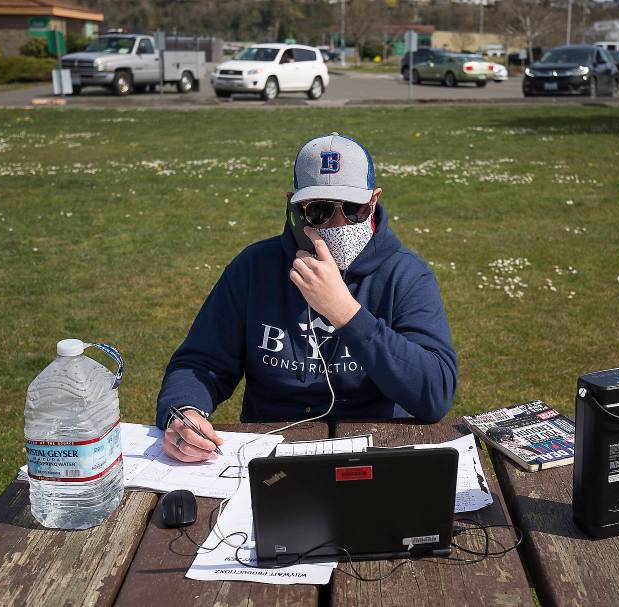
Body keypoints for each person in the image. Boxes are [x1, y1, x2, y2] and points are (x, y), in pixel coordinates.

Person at [156, 133, 457, 462]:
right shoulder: (255, 267)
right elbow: (200, 362)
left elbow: (435, 392)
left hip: (376, 446)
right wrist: (184, 412)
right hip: (272, 446)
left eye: (354, 209)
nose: (338, 224)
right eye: (319, 211)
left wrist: (347, 314)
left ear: (374, 201)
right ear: (294, 206)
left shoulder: (406, 274)